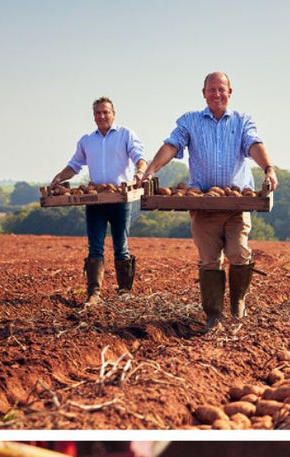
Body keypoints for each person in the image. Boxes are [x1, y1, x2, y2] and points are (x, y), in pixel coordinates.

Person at [137, 72, 278, 332]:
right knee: (209, 260)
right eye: (211, 90)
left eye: (221, 89)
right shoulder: (190, 121)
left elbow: (254, 144)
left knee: (238, 253)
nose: (217, 94)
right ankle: (213, 315)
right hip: (203, 206)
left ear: (230, 92)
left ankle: (237, 306)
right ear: (204, 93)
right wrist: (152, 169)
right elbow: (172, 144)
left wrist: (268, 168)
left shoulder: (242, 121)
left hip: (237, 205)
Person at [51, 97, 147, 306]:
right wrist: (59, 177)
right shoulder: (87, 140)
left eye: (106, 112)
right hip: (95, 201)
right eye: (98, 113)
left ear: (114, 113)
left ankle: (124, 293)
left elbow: (140, 156)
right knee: (95, 247)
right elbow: (74, 165)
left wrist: (140, 171)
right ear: (93, 116)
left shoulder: (125, 135)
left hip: (120, 199)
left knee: (121, 246)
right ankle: (94, 293)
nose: (102, 116)